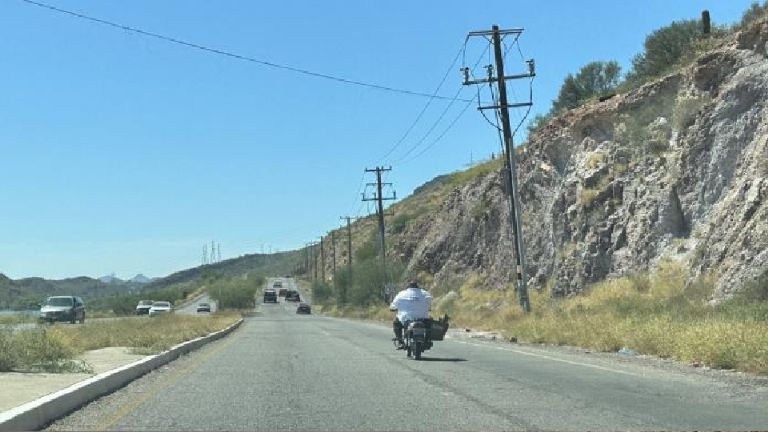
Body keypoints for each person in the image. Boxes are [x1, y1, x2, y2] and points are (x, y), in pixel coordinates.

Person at [389, 280, 432, 349]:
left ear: (408, 286)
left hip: (406, 319)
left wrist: (392, 308)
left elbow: (393, 306)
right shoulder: (426, 294)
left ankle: (400, 340)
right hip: (423, 319)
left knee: (396, 323)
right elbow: (429, 305)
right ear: (417, 286)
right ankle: (427, 340)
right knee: (429, 324)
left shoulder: (401, 294)